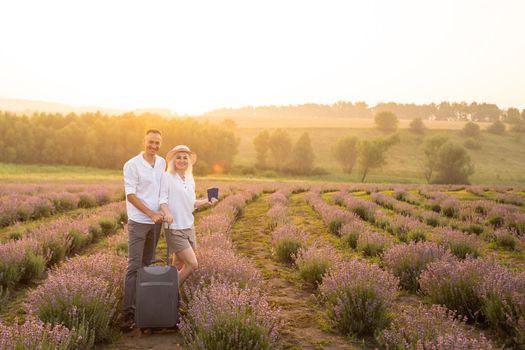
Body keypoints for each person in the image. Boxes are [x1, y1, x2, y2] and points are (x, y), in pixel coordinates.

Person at [121, 129, 166, 332]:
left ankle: (144, 307)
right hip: (139, 221)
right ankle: (127, 314)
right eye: (150, 142)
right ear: (144, 141)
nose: (154, 146)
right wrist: (150, 213)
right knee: (134, 266)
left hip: (156, 222)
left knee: (148, 264)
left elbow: (164, 190)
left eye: (157, 143)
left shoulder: (162, 163)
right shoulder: (132, 165)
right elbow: (130, 195)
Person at [160, 144, 217, 287]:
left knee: (178, 264)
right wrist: (167, 213)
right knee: (192, 264)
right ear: (173, 160)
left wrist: (207, 201)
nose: (182, 160)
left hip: (189, 227)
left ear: (189, 161)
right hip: (174, 228)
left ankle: (172, 299)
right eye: (178, 157)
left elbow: (192, 203)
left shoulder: (189, 179)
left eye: (185, 157)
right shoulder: (167, 177)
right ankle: (169, 291)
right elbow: (162, 200)